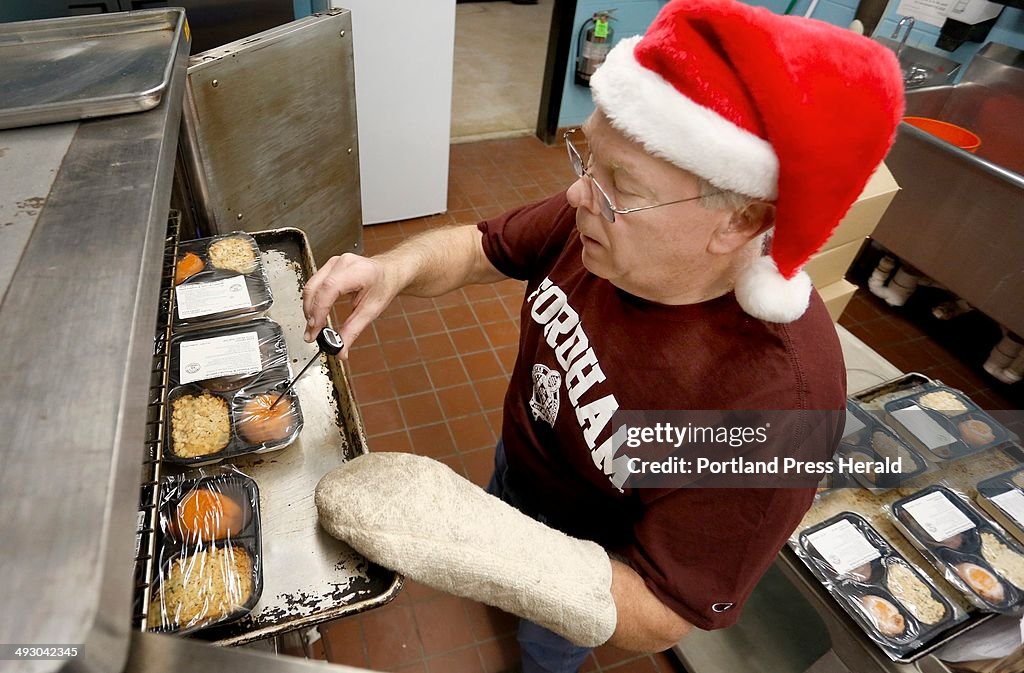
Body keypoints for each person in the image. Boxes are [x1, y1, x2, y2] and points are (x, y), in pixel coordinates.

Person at [303, 0, 903, 669]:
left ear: (738, 220)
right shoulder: (594, 216)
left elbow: (663, 611)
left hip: (590, 562)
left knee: (545, 644)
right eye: (588, 159)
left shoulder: (774, 405)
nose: (577, 195)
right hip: (521, 464)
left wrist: (492, 547)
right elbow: (481, 247)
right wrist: (396, 265)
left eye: (619, 182)